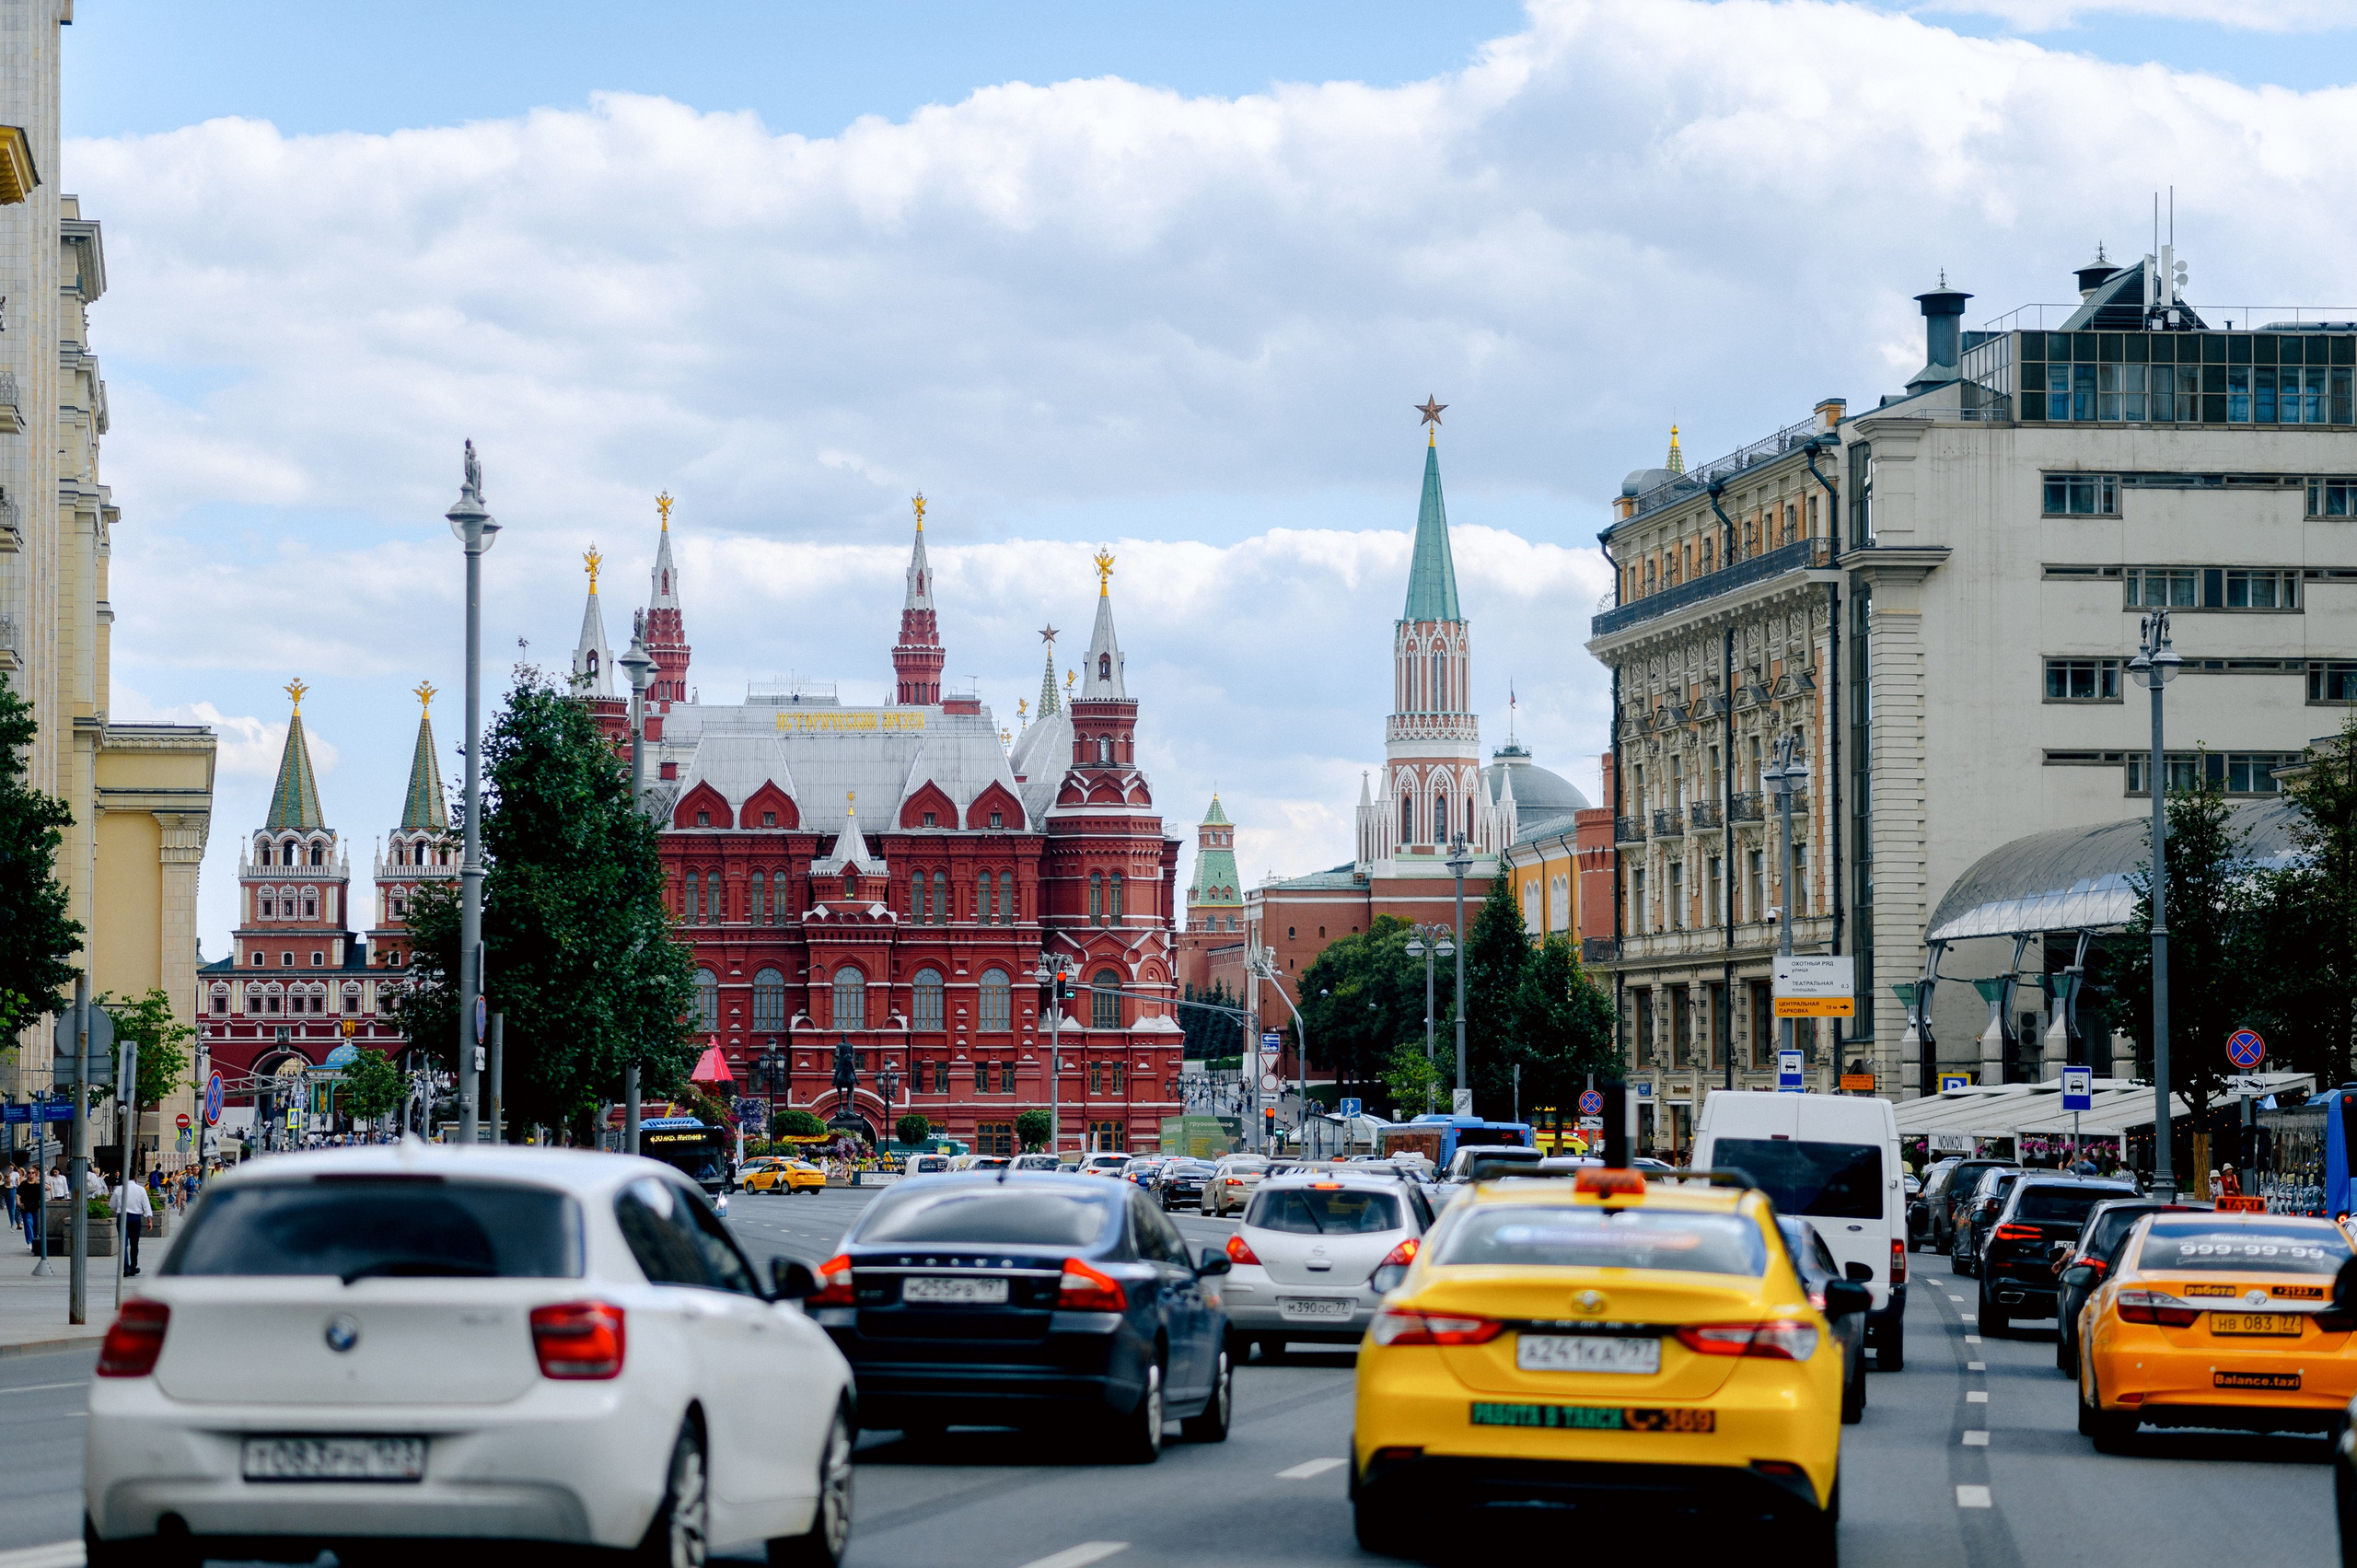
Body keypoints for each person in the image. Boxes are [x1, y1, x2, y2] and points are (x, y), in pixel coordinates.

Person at [111, 1169, 153, 1277]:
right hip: (135, 1218)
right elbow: (146, 1205)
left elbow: (112, 1205)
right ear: (135, 1176)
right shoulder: (141, 1190)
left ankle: (126, 1269)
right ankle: (134, 1266)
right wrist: (149, 1219)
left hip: (122, 1217)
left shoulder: (118, 1189)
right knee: (134, 1244)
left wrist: (119, 1208)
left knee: (123, 1245)